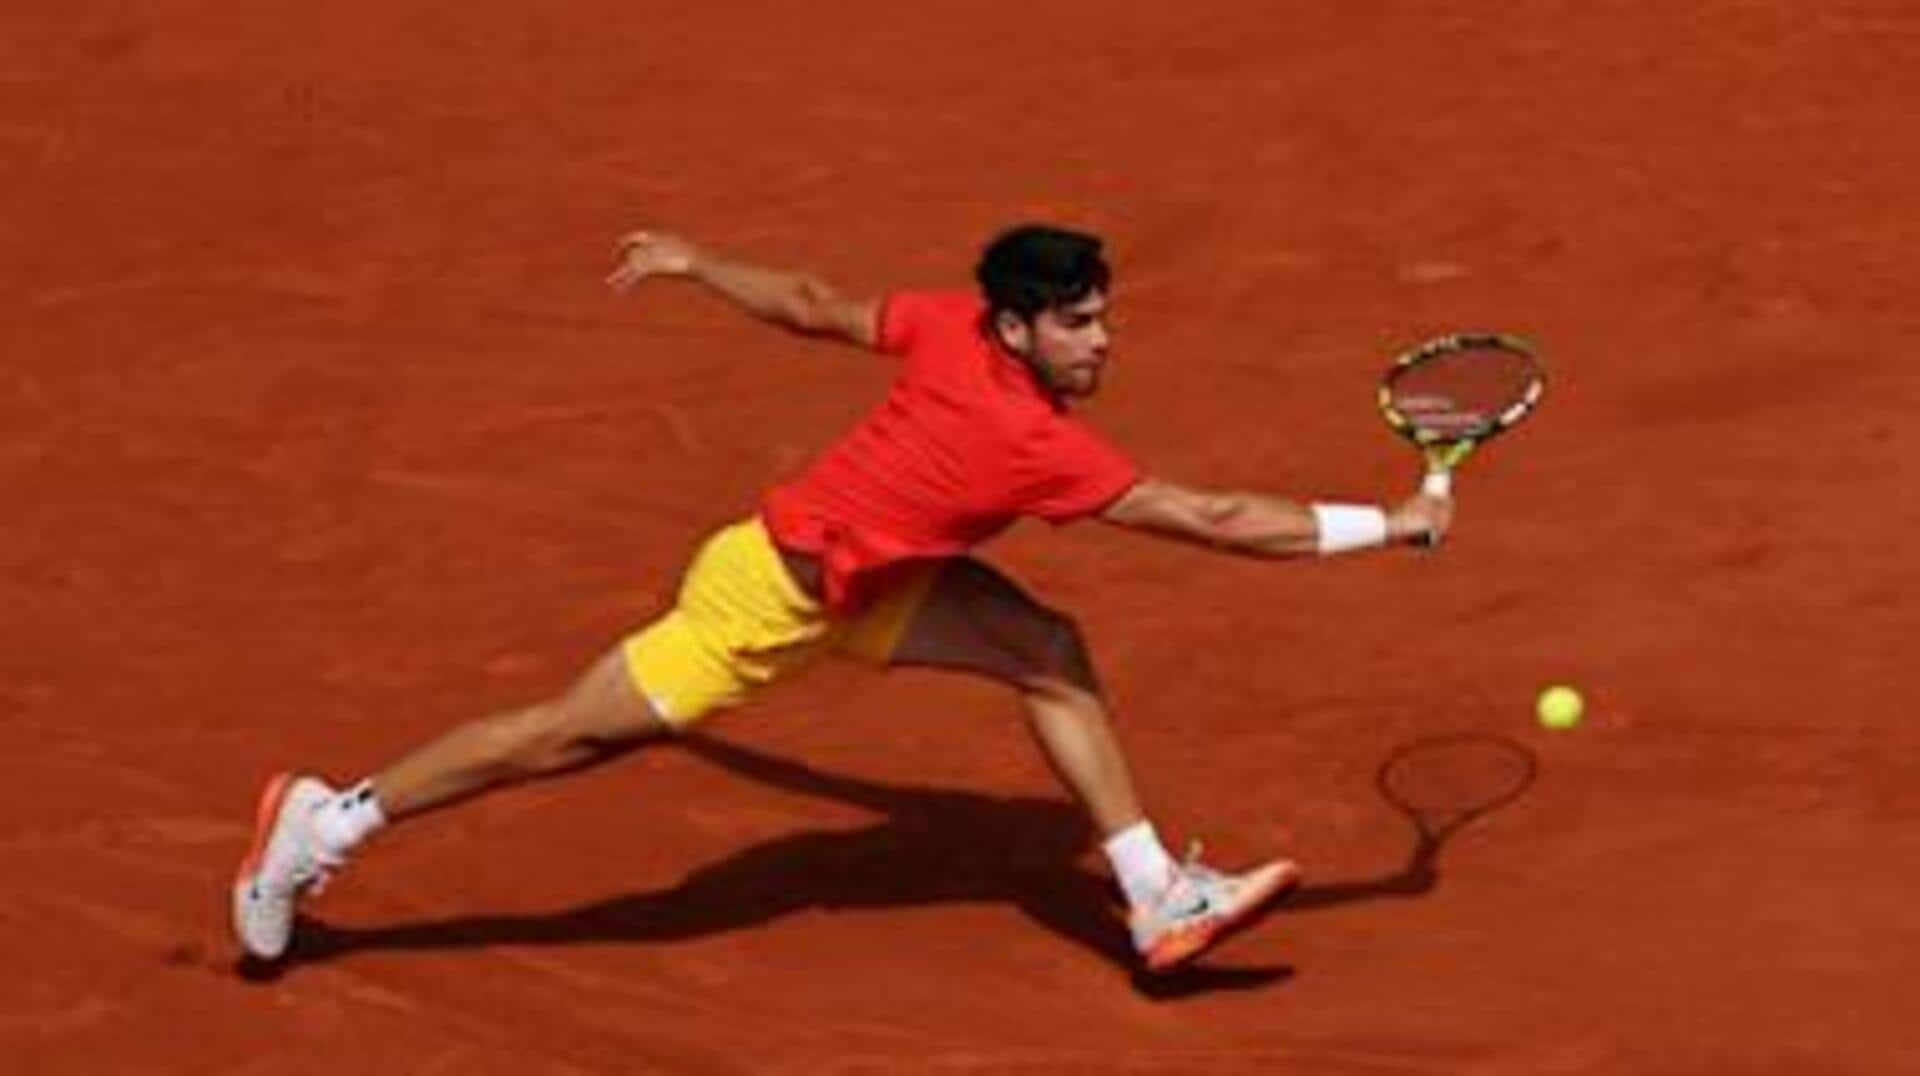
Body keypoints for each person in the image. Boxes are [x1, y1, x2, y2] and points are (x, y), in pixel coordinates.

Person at [232, 224, 1453, 974]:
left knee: (1045, 645)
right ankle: (328, 822)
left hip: (876, 580)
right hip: (764, 598)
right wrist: (1388, 522)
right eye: (1079, 324)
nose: (1104, 342)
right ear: (1020, 327)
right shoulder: (1035, 442)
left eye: (1106, 316)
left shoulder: (948, 328)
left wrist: (700, 260)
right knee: (563, 738)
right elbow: (1211, 518)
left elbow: (816, 304)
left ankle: (1152, 896)